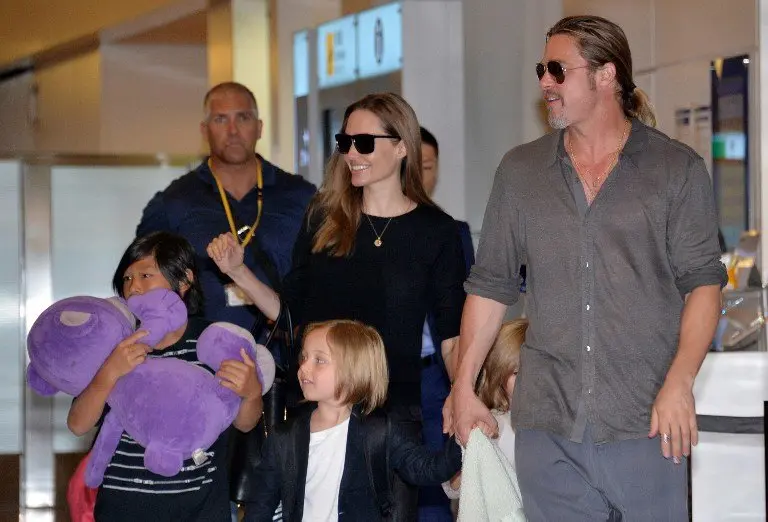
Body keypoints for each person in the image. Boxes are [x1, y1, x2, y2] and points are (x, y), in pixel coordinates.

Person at [446, 15, 727, 521]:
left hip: (647, 422)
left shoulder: (675, 169)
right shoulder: (520, 172)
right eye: (541, 69)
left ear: (606, 75)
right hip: (547, 426)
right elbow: (490, 287)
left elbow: (704, 285)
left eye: (558, 69)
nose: (544, 82)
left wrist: (681, 381)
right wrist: (462, 386)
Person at [208, 92, 467, 519]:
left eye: (364, 143)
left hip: (390, 420)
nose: (351, 154)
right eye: (344, 142)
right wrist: (238, 271)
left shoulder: (436, 232)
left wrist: (464, 398)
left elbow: (452, 334)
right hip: (317, 411)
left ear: (402, 145)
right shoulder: (324, 218)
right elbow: (288, 313)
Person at [67, 231, 263, 522]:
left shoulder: (214, 340)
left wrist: (252, 392)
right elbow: (77, 424)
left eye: (145, 275)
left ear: (184, 281)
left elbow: (246, 423)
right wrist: (109, 371)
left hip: (201, 510)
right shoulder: (114, 343)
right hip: (123, 507)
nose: (133, 287)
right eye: (127, 279)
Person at [136, 81, 315, 336]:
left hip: (287, 357)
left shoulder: (301, 196)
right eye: (221, 119)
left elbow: (323, 279)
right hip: (202, 359)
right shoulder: (174, 202)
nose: (233, 130)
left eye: (243, 117)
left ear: (259, 127)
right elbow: (142, 282)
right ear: (204, 129)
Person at [244, 319, 462, 521]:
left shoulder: (379, 432)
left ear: (353, 371)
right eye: (304, 357)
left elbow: (428, 469)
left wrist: (464, 432)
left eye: (319, 360)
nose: (303, 368)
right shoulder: (284, 438)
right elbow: (260, 506)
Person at [418, 126, 474, 521]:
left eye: (428, 166)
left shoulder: (453, 234)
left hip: (440, 378)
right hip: (384, 383)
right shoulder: (366, 238)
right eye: (412, 166)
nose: (421, 175)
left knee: (438, 494)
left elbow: (470, 315)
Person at [442, 319, 527, 503]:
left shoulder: (557, 423)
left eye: (535, 371)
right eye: (517, 373)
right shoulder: (490, 423)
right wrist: (467, 447)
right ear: (499, 372)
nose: (527, 380)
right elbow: (453, 487)